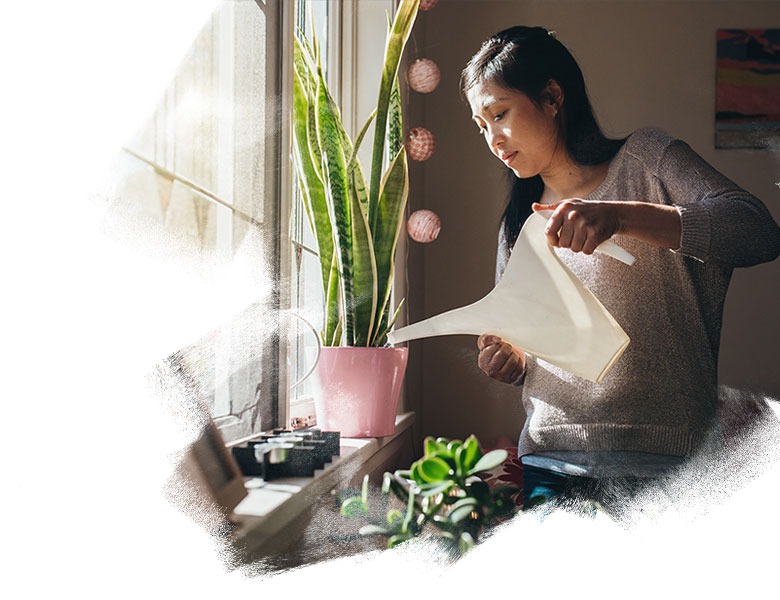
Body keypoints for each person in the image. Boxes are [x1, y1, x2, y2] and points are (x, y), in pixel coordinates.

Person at [460, 26, 780, 517]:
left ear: (551, 96)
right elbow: (529, 345)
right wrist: (511, 359)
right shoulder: (518, 222)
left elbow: (757, 229)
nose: (492, 138)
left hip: (670, 464)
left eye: (499, 114)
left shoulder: (648, 160)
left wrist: (620, 216)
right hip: (551, 462)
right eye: (481, 126)